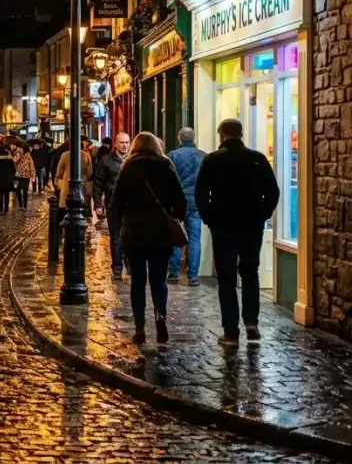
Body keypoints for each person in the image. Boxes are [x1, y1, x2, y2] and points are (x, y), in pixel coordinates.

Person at [196, 119, 280, 347]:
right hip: (252, 226)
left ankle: (231, 332)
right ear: (241, 134)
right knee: (250, 273)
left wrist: (210, 219)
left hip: (223, 227)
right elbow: (273, 192)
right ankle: (252, 323)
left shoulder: (213, 160)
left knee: (227, 279)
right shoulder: (257, 159)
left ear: (221, 135)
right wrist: (262, 214)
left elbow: (201, 194)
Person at [108, 132, 187, 345]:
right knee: (159, 280)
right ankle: (160, 318)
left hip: (134, 233)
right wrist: (176, 217)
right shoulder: (165, 165)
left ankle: (140, 327)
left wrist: (116, 230)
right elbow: (180, 200)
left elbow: (115, 204)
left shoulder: (128, 168)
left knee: (138, 282)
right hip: (160, 232)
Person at [167, 128, 207, 286]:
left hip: (178, 200)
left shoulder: (173, 156)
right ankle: (193, 276)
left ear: (179, 139)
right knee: (195, 239)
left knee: (176, 236)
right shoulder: (203, 156)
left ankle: (174, 272)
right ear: (194, 138)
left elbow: (169, 180)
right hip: (196, 201)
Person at [93, 132, 130, 279]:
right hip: (113, 204)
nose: (125, 145)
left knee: (129, 235)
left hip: (130, 205)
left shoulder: (133, 159)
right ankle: (117, 267)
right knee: (115, 236)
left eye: (127, 142)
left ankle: (129, 264)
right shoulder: (106, 160)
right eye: (122, 142)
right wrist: (97, 204)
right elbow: (98, 183)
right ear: (115, 144)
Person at [55, 140, 94, 214]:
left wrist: (58, 182)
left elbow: (59, 172)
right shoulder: (86, 155)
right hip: (82, 186)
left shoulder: (65, 155)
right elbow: (89, 173)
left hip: (67, 185)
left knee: (66, 207)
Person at [0, 145, 17, 214]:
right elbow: (14, 170)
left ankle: (0, 210)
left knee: (0, 195)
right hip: (8, 179)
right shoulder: (10, 160)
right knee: (7, 195)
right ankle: (6, 210)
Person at [14, 144, 35, 209]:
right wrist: (19, 154)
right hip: (17, 175)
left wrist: (33, 176)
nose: (20, 149)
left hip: (26, 176)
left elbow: (31, 165)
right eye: (19, 148)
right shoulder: (17, 154)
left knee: (25, 191)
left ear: (24, 149)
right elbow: (14, 161)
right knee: (17, 190)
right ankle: (20, 205)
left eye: (21, 148)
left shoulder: (28, 155)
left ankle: (25, 206)